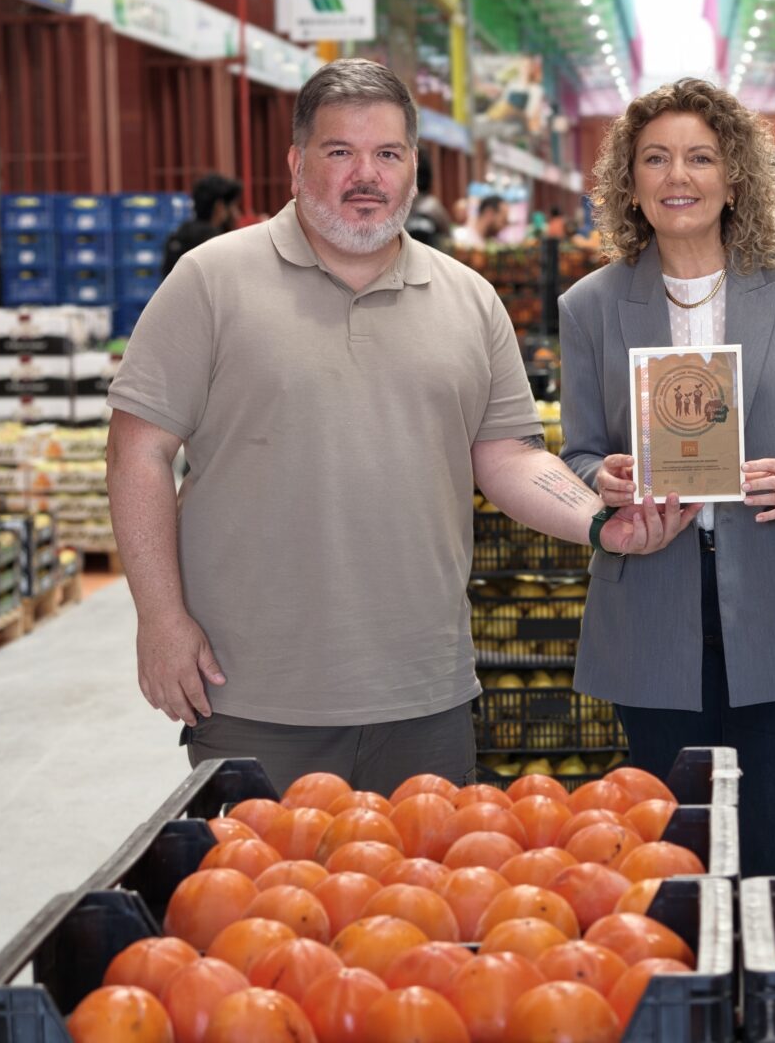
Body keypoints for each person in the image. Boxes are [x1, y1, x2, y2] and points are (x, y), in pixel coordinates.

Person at [106, 58, 693, 797]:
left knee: (427, 875)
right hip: (253, 692)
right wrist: (160, 619)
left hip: (425, 692)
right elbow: (138, 452)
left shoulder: (469, 300)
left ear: (412, 167)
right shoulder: (210, 281)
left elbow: (509, 456)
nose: (367, 175)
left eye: (387, 153)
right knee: (262, 877)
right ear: (296, 163)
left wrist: (603, 521)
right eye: (340, 151)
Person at [557, 77, 775, 879]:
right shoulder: (590, 305)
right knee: (673, 857)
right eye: (655, 159)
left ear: (735, 176)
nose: (679, 176)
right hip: (653, 603)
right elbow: (578, 453)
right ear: (629, 183)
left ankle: (766, 963)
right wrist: (607, 479)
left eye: (700, 158)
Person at [161, 173, 242, 277]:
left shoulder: (179, 233)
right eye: (233, 206)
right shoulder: (217, 242)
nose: (236, 213)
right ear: (219, 207)